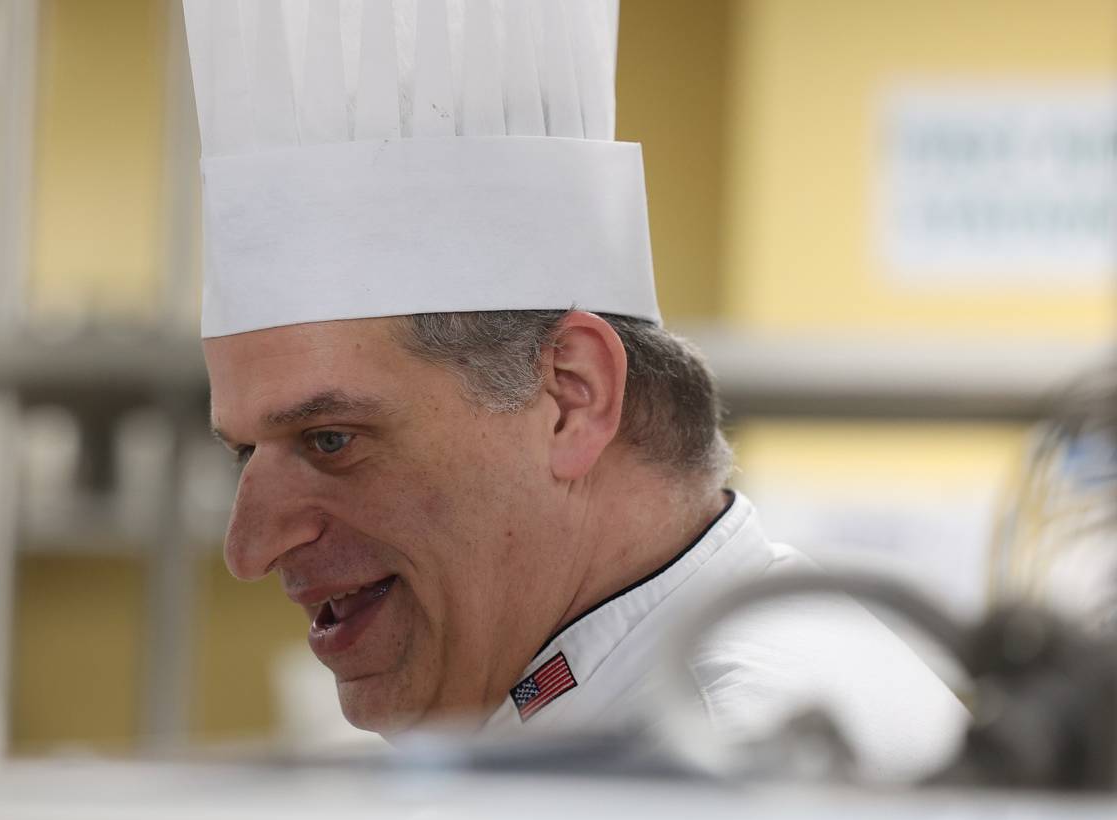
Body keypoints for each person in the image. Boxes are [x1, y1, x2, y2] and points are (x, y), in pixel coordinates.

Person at [185, 0, 967, 779]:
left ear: (571, 397)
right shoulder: (585, 713)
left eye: (331, 440)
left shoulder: (745, 769)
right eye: (245, 452)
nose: (250, 549)